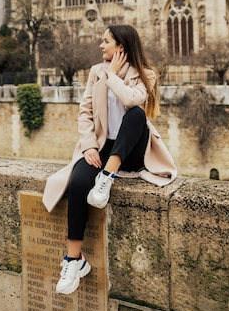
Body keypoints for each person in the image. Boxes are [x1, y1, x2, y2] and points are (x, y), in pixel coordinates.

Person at [42, 24, 177, 295]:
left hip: (131, 152)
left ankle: (107, 177)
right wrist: (89, 146)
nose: (100, 46)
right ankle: (74, 260)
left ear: (121, 48)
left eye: (105, 42)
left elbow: (131, 101)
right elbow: (85, 112)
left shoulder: (146, 74)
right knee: (78, 184)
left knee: (137, 116)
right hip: (102, 148)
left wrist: (113, 76)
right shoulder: (95, 72)